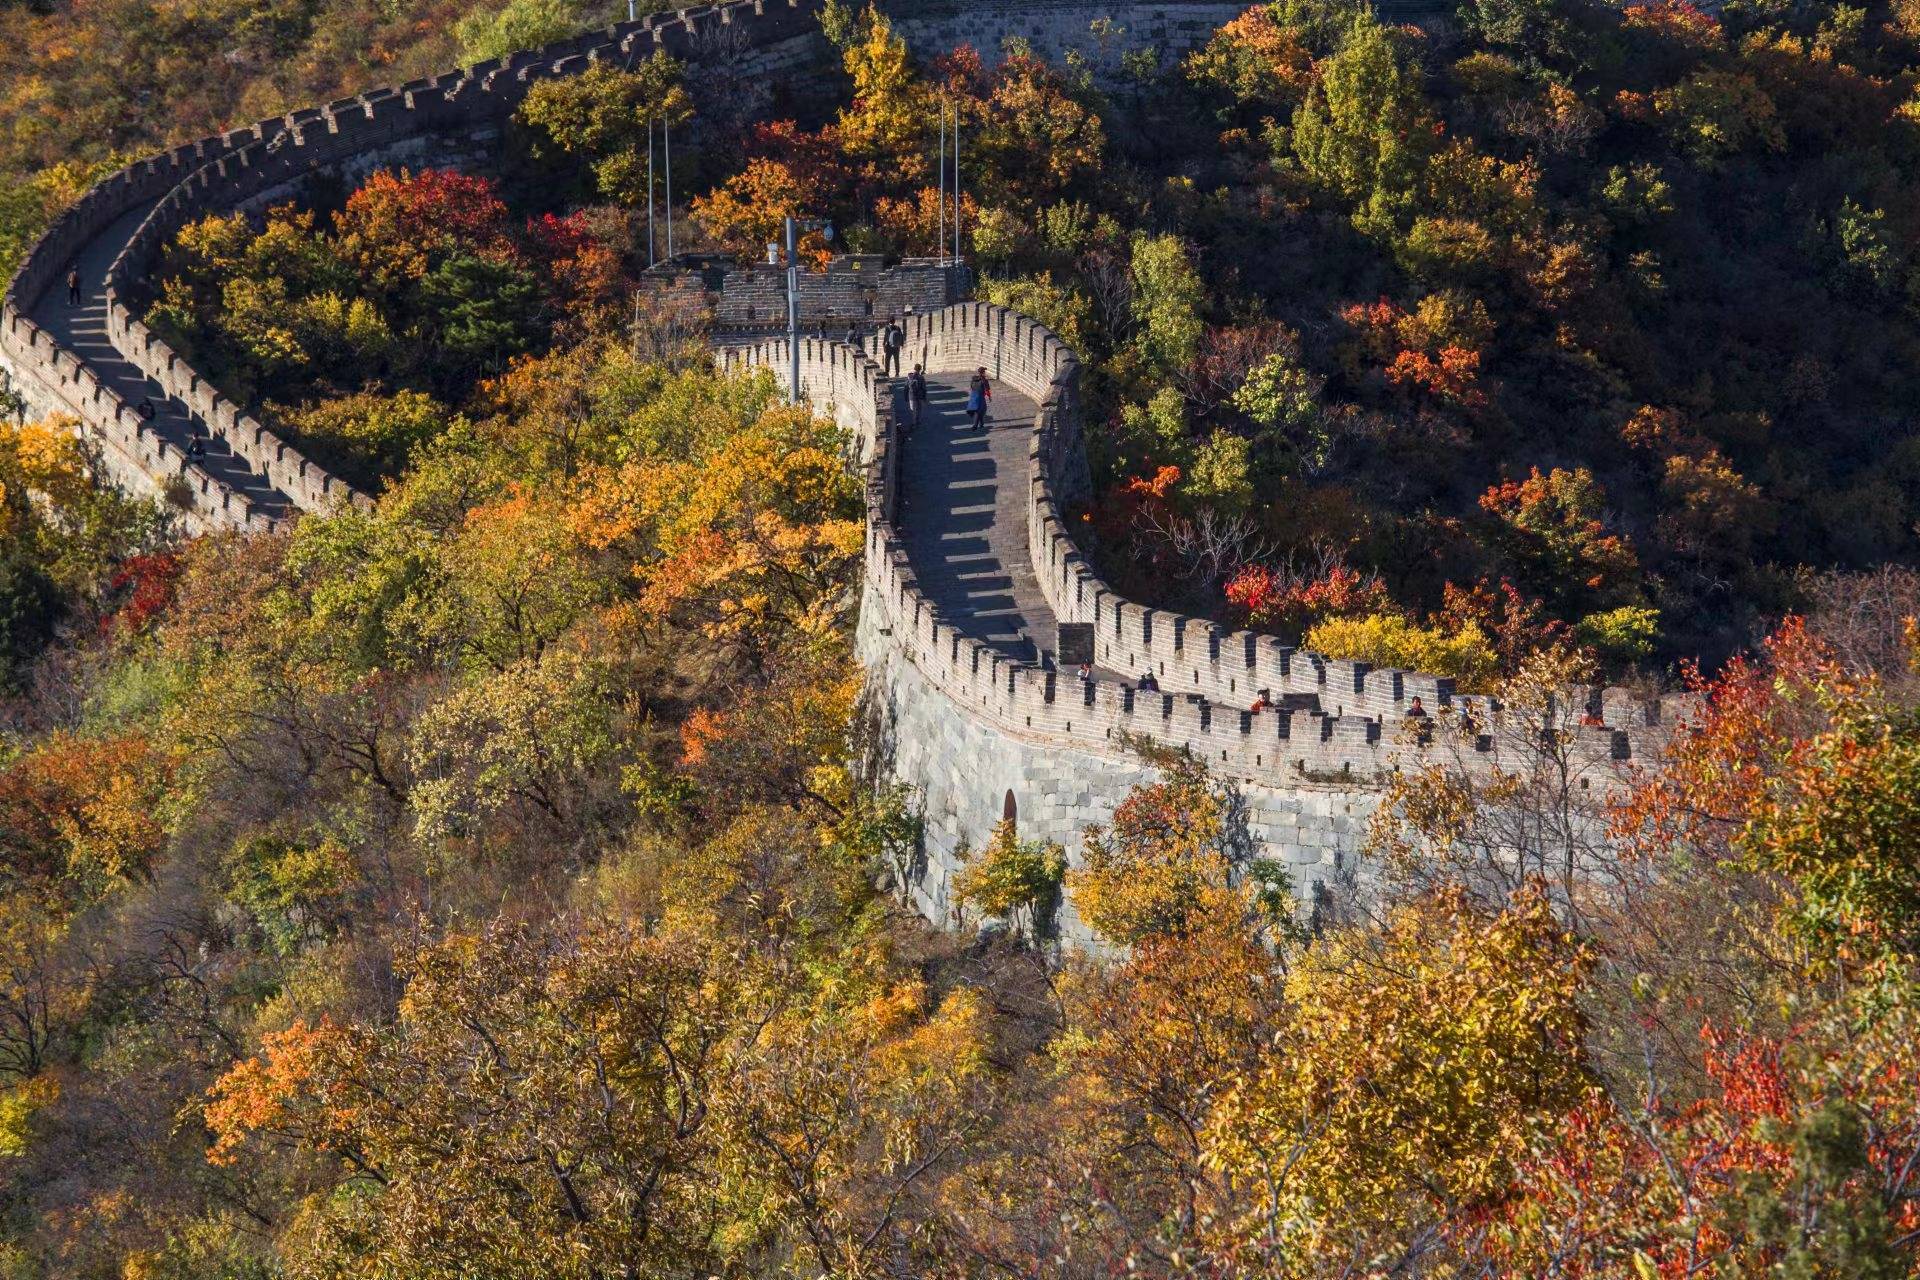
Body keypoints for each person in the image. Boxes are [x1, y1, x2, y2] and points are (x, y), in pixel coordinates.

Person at [967, 366, 991, 432]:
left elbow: (971, 387)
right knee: (980, 410)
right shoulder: (984, 381)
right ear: (983, 373)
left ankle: (981, 423)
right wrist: (989, 397)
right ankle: (975, 426)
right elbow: (987, 390)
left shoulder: (973, 379)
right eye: (984, 372)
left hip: (973, 396)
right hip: (980, 397)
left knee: (980, 410)